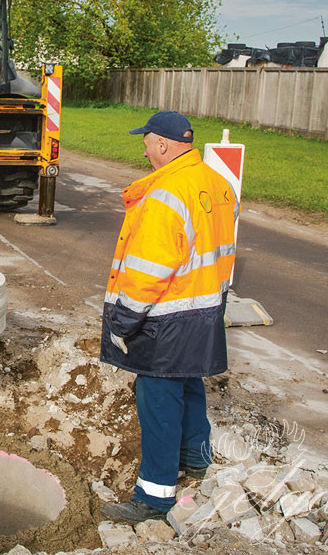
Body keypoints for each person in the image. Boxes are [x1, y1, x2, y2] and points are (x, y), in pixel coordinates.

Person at [99, 110, 237, 524]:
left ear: (162, 144)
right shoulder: (217, 184)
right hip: (204, 308)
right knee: (189, 382)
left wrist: (122, 322)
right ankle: (195, 459)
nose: (143, 148)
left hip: (167, 316)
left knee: (157, 398)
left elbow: (148, 272)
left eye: (146, 141)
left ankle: (153, 497)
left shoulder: (164, 196)